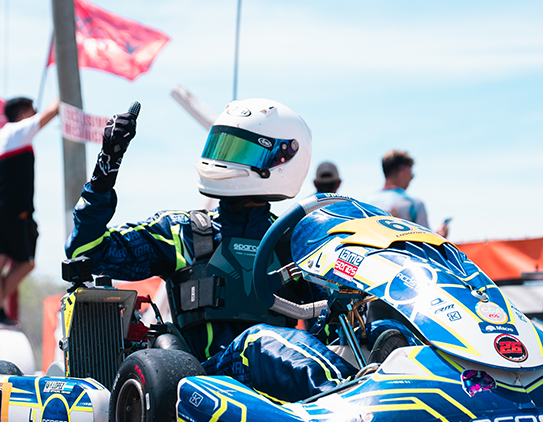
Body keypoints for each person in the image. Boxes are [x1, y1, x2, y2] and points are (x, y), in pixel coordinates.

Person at [65, 98, 356, 403]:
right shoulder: (182, 232)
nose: (223, 161)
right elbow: (85, 251)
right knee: (259, 343)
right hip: (202, 390)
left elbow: (332, 323)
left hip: (282, 399)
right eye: (222, 148)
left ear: (282, 161)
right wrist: (105, 170)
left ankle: (363, 396)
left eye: (241, 151)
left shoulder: (295, 243)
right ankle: (349, 403)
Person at [0, 96, 60, 329]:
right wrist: (62, 95)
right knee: (26, 263)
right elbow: (51, 113)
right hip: (14, 210)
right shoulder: (18, 131)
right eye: (32, 110)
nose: (35, 114)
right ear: (22, 114)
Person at [369, 149, 449, 238]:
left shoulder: (367, 202)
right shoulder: (413, 203)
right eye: (412, 174)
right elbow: (426, 240)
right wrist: (440, 236)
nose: (411, 178)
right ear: (405, 171)